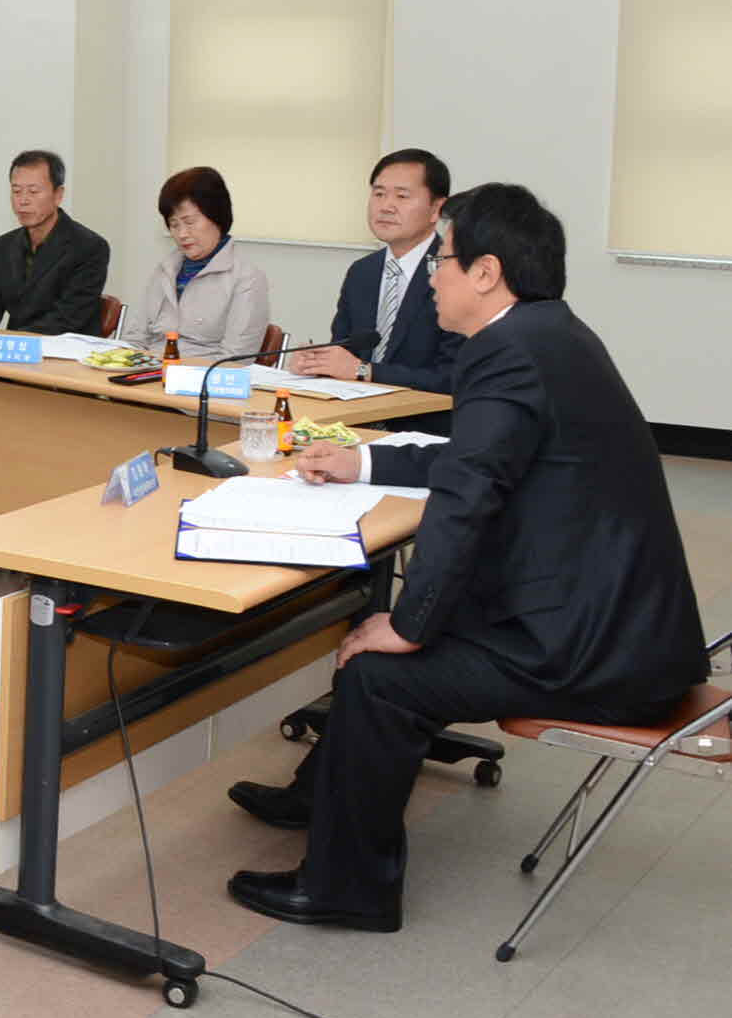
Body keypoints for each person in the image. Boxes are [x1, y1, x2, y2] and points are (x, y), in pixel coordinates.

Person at [227, 185, 706, 932]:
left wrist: (407, 625)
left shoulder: (507, 351)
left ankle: (350, 890)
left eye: (442, 260)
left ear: (486, 272)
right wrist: (365, 464)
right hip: (615, 625)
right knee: (395, 639)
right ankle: (318, 799)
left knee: (380, 672)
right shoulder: (549, 334)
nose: (431, 276)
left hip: (595, 655)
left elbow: (470, 495)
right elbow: (480, 459)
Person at [284, 148, 463, 401]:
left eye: (402, 196)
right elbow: (345, 353)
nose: (386, 206)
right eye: (379, 194)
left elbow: (452, 378)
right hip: (356, 414)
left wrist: (365, 371)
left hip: (424, 418)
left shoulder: (457, 273)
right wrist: (318, 363)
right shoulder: (362, 272)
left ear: (436, 208)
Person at [118, 166, 269, 360]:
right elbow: (135, 339)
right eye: (174, 225)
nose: (182, 234)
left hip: (202, 375)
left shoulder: (246, 278)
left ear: (216, 217)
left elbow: (236, 359)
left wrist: (175, 374)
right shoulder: (166, 270)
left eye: (189, 222)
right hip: (147, 370)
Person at [0, 149, 111, 335]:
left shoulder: (89, 247)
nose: (23, 200)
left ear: (58, 195)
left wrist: (12, 341)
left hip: (66, 348)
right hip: (15, 346)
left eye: (33, 191)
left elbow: (67, 319)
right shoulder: (1, 247)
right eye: (16, 191)